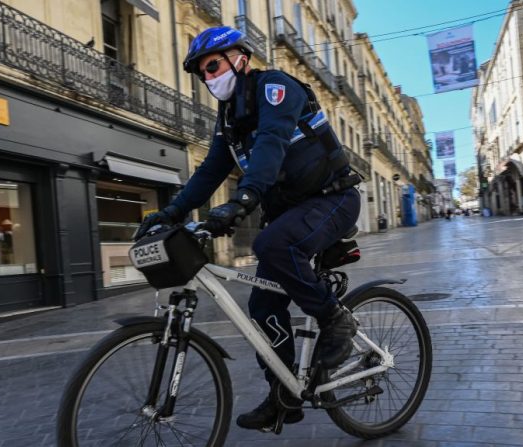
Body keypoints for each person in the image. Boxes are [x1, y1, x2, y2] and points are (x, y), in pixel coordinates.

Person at [133, 26, 361, 430]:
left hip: (332, 199)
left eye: (214, 65)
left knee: (272, 242)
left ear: (241, 59)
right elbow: (209, 171)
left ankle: (335, 319)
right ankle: (284, 394)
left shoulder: (276, 88)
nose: (209, 77)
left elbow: (272, 143)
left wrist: (243, 199)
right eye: (203, 72)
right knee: (262, 306)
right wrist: (170, 213)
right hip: (291, 212)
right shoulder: (229, 119)